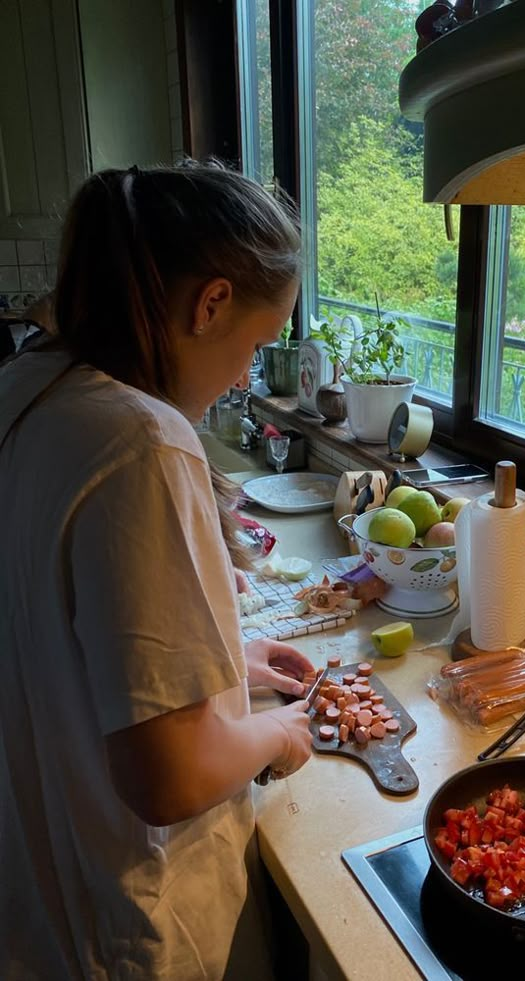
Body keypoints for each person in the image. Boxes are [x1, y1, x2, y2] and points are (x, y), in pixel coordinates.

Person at [0, 163, 315, 980]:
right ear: (209, 304)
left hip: (32, 898)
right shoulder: (142, 439)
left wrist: (218, 667)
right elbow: (167, 776)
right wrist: (275, 731)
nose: (246, 373)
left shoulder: (28, 383)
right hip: (117, 924)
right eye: (252, 344)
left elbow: (57, 633)